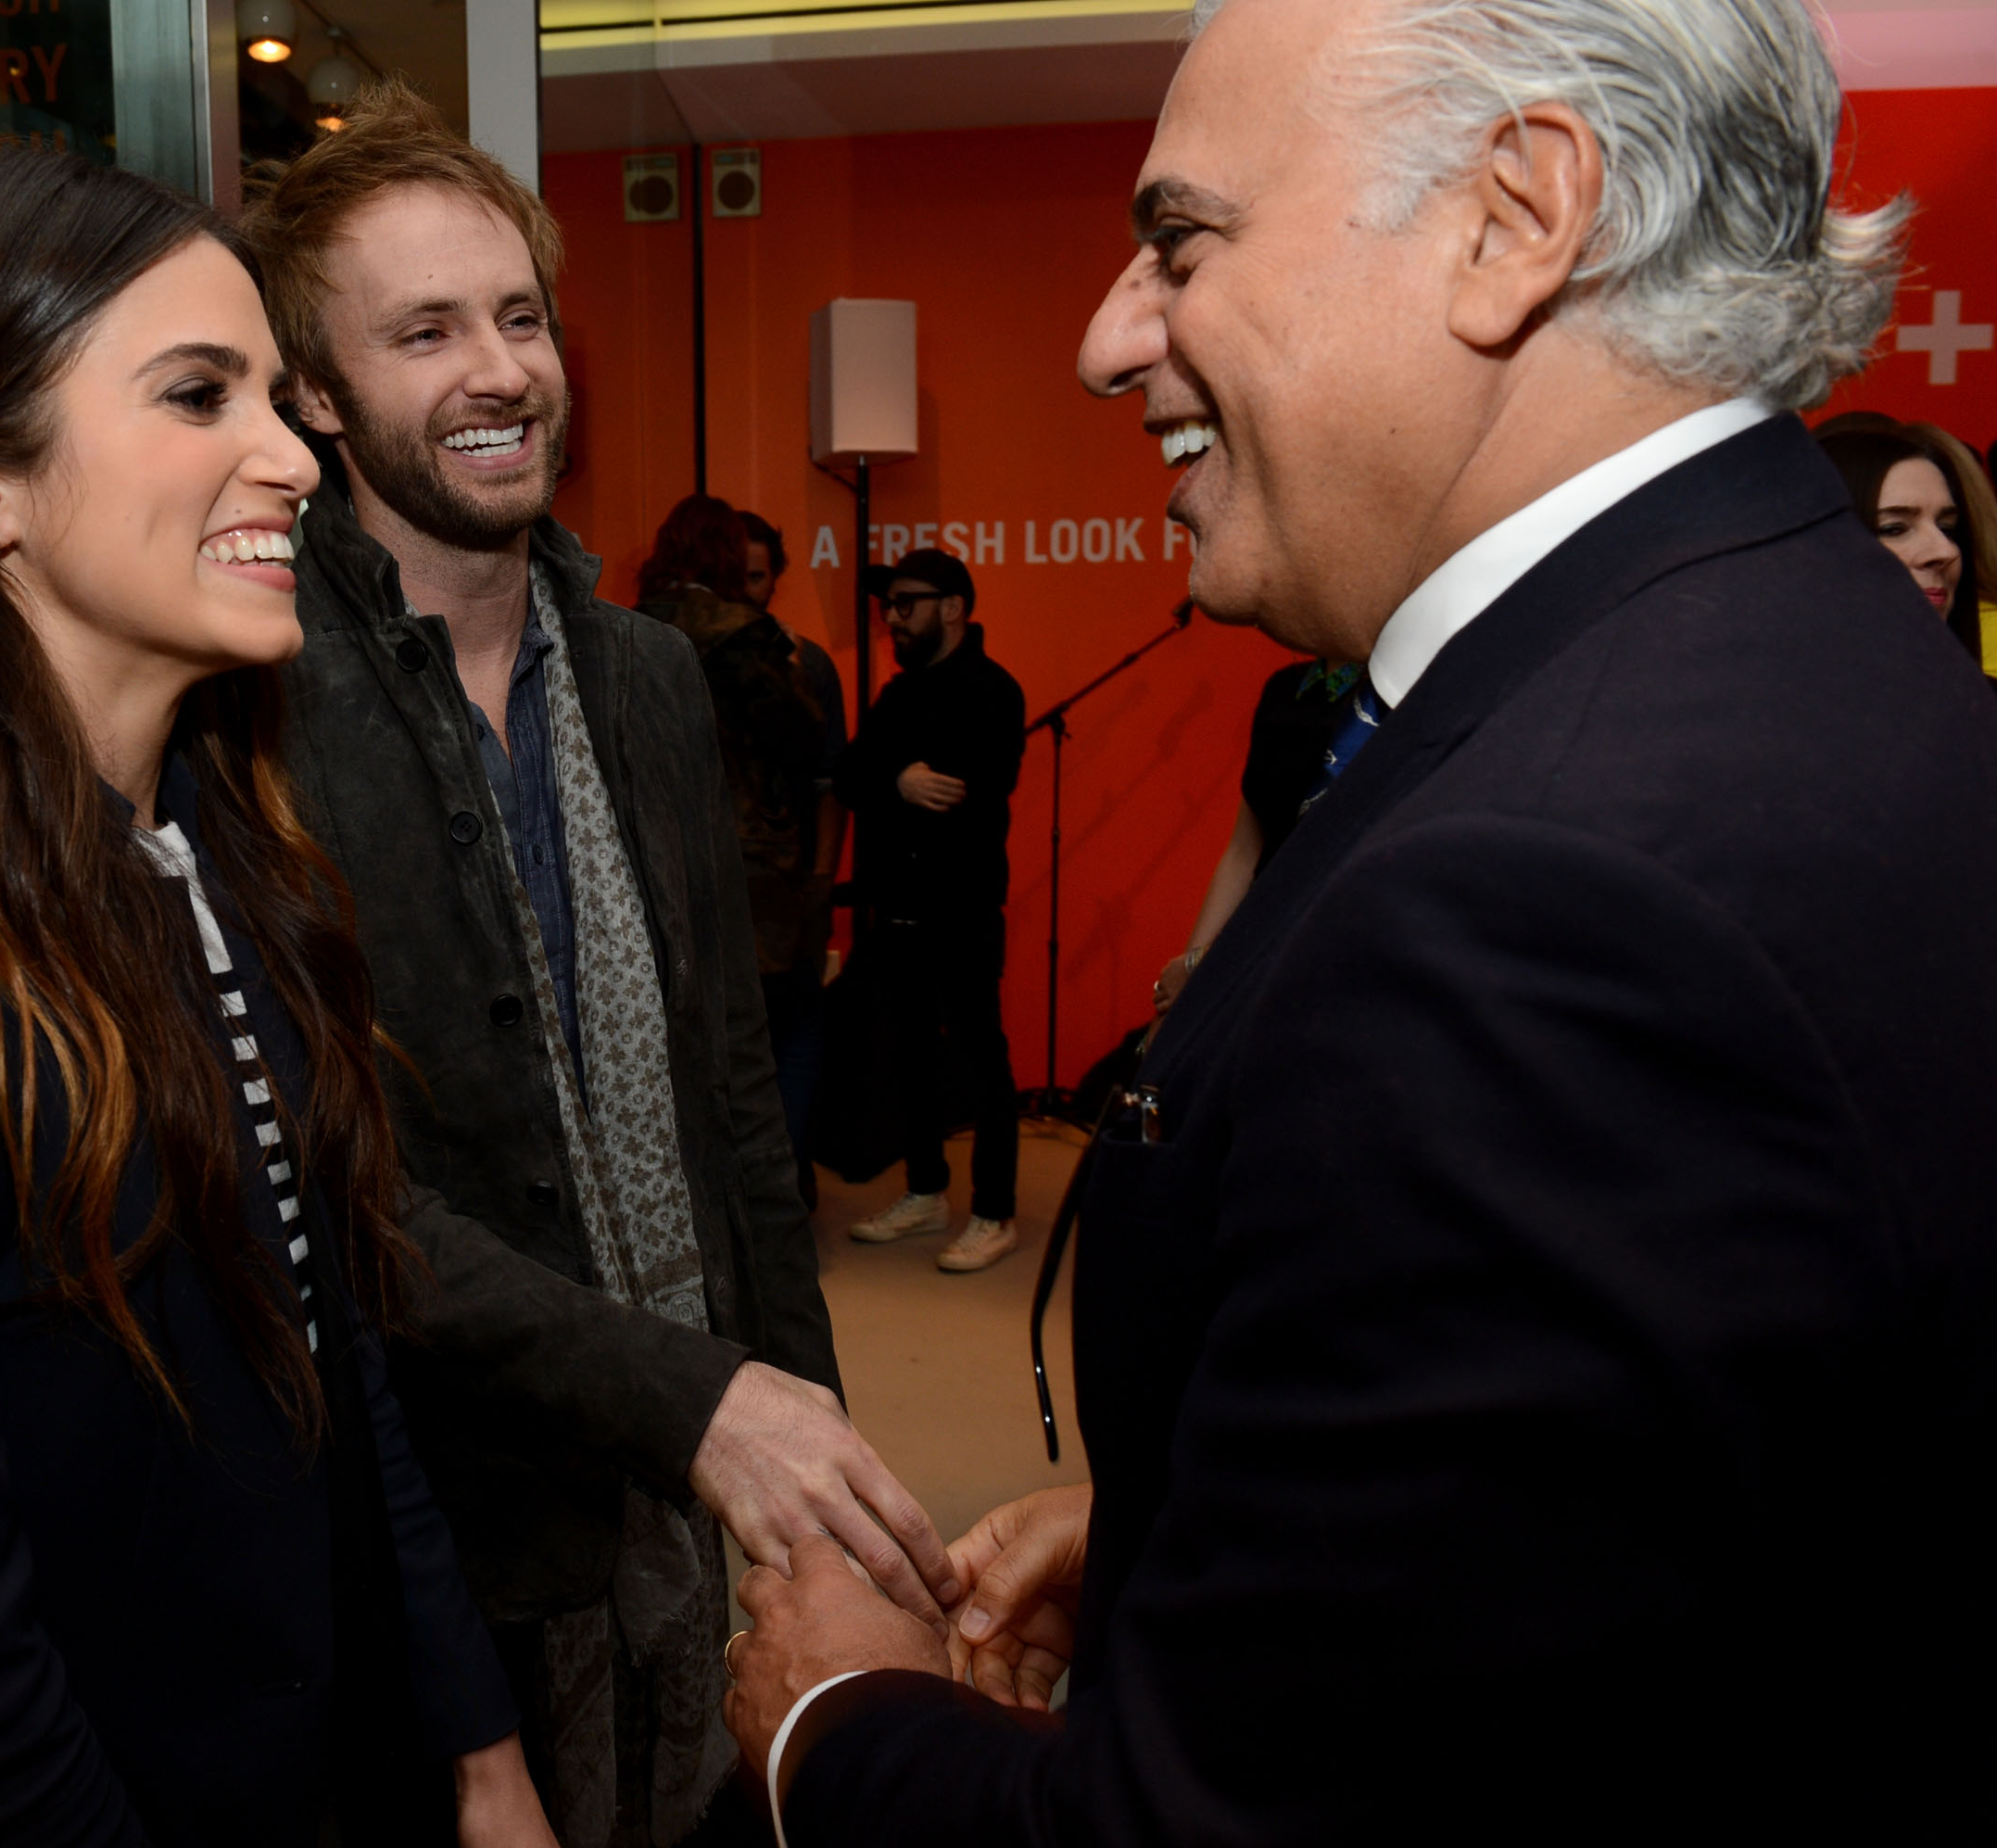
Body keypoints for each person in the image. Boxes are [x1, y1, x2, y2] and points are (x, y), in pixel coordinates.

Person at [722, 0, 1997, 1842]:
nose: (1107, 340)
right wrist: (1234, 1524)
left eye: (1182, 241)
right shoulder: (1795, 643)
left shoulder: (1550, 902)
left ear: (1516, 214)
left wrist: (835, 1717)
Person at [0, 146, 542, 1846]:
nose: (289, 456)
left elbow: (331, 1354)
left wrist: (474, 1740)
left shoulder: (217, 852)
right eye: (200, 393)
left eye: (278, 398)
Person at [239, 80, 954, 1847]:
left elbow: (727, 1088)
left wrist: (811, 1453)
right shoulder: (251, 703)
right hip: (439, 1503)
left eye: (519, 314)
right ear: (318, 395)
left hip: (681, 1468)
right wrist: (689, 1397)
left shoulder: (642, 668)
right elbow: (328, 1190)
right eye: (423, 331)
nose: (499, 368)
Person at [638, 497, 843, 1205]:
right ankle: (777, 1194)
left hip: (651, 869)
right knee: (785, 1028)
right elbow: (802, 744)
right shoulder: (744, 635)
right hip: (749, 873)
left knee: (685, 1042)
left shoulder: (620, 632)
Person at [833, 548, 1027, 1272]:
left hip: (964, 908)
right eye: (888, 605)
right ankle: (926, 1191)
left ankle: (994, 1211)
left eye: (906, 602)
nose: (892, 616)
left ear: (953, 606)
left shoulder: (992, 690)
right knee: (909, 1054)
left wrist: (906, 777)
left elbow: (980, 778)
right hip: (900, 909)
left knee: (982, 1058)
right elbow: (855, 774)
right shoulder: (899, 695)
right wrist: (900, 776)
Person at [1150, 657, 1376, 1013]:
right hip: (1246, 950)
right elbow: (1243, 852)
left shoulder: (1387, 700)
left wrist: (1200, 966)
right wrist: (1178, 993)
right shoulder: (1284, 689)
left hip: (1317, 964)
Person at [738, 511, 848, 1202]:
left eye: (757, 575)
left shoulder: (809, 664)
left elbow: (830, 787)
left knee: (800, 1027)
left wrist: (820, 882)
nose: (747, 590)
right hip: (727, 899)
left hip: (793, 889)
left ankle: (791, 1178)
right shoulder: (684, 656)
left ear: (775, 579)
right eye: (737, 575)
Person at [1815, 415, 1997, 679]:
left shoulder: (1983, 708)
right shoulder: (1756, 705)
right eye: (1894, 529)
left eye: (1947, 529)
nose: (1945, 551)